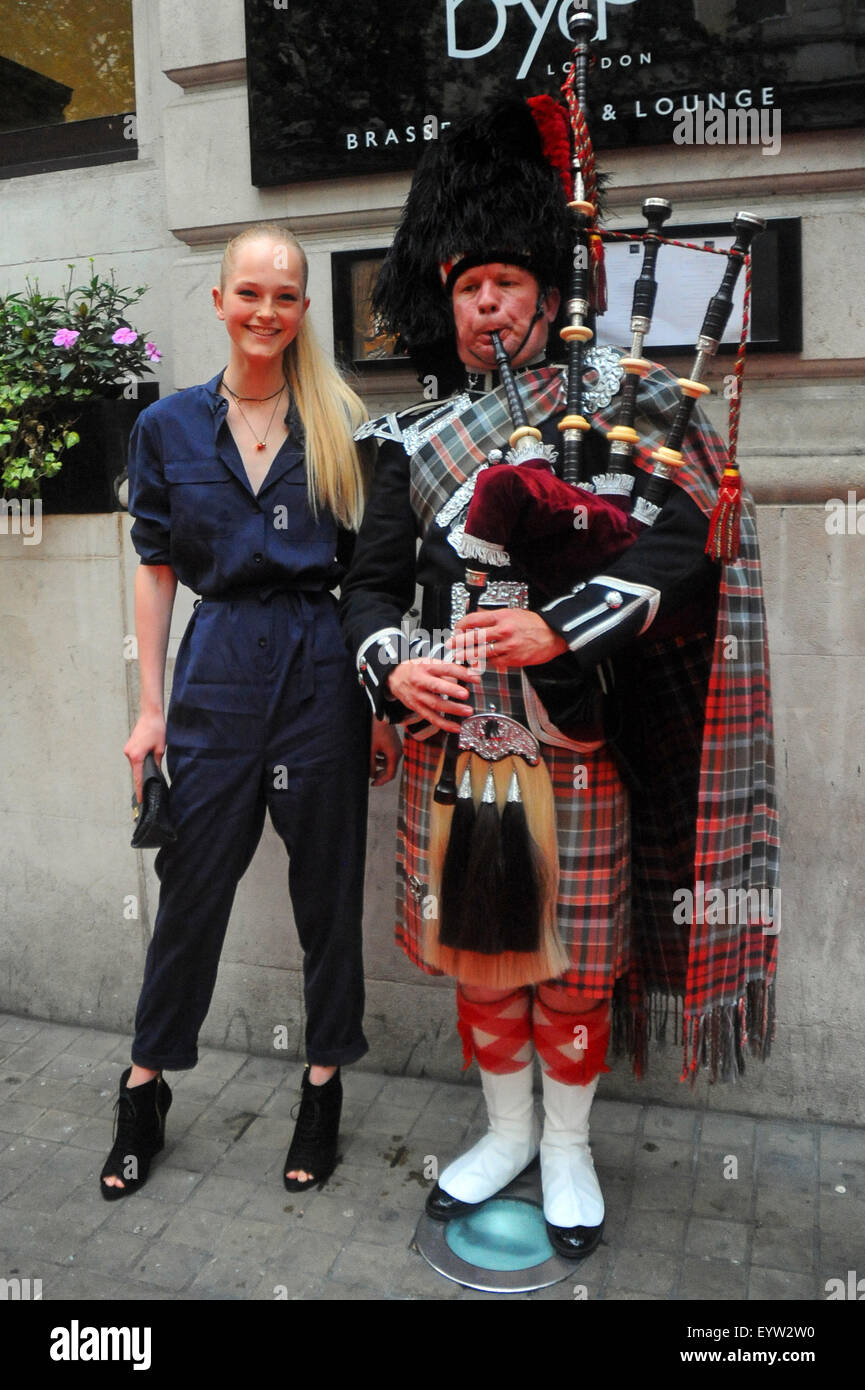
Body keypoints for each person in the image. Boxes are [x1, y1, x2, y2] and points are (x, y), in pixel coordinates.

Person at [338, 103, 778, 1259]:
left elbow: (686, 546)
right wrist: (396, 669)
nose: (489, 303)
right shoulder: (405, 441)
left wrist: (561, 632)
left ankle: (570, 1145)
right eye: (468, 284)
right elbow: (368, 589)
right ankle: (504, 1133)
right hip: (455, 750)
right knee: (484, 964)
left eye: (508, 282)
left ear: (545, 290)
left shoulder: (633, 406)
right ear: (449, 296)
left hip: (577, 743)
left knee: (574, 974)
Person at [101, 223, 401, 1201]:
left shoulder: (343, 425)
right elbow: (153, 569)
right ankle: (143, 1091)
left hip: (320, 663)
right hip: (219, 662)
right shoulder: (168, 429)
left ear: (303, 309)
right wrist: (148, 708)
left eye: (285, 294)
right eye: (249, 292)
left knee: (328, 889)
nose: (265, 309)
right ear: (221, 302)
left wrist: (382, 701)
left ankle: (322, 1089)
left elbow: (370, 579)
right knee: (192, 888)